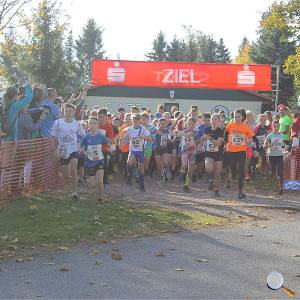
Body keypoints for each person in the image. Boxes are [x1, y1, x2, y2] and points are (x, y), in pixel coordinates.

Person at [51, 103, 86, 201]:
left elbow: (84, 136)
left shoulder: (77, 124)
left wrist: (83, 147)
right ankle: (68, 183)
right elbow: (52, 137)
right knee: (66, 174)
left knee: (74, 169)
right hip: (62, 149)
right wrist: (55, 149)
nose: (67, 113)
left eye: (70, 111)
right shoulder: (58, 122)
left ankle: (75, 193)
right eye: (66, 111)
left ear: (74, 112)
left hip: (74, 149)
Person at [225, 109, 254, 199]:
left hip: (241, 151)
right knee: (233, 170)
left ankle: (240, 192)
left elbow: (252, 136)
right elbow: (225, 134)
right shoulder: (230, 125)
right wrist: (226, 141)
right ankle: (233, 175)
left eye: (239, 117)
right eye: (235, 117)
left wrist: (255, 141)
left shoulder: (245, 127)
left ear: (243, 117)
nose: (237, 118)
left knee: (241, 171)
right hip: (231, 151)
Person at [80, 117, 110, 206]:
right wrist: (84, 152)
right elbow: (80, 149)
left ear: (97, 125)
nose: (92, 125)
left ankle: (100, 199)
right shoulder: (86, 137)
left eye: (94, 123)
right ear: (89, 125)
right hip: (90, 163)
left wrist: (110, 150)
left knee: (100, 182)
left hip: (99, 161)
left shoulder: (101, 136)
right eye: (91, 123)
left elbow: (109, 144)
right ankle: (98, 193)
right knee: (93, 184)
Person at [125, 113, 151, 192]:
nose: (135, 122)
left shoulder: (142, 128)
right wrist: (126, 139)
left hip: (140, 150)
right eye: (134, 120)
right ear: (132, 120)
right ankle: (130, 175)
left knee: (141, 168)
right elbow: (125, 137)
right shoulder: (128, 129)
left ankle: (141, 184)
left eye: (137, 120)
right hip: (132, 149)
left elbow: (150, 138)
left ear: (140, 121)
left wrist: (143, 137)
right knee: (129, 163)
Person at [202, 114, 224, 196]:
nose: (213, 121)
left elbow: (218, 144)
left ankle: (216, 190)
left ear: (218, 121)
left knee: (217, 173)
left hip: (218, 153)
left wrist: (210, 138)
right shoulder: (206, 129)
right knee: (209, 168)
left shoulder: (220, 131)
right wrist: (201, 141)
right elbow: (204, 138)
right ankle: (210, 179)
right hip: (208, 152)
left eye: (215, 119)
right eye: (212, 119)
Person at [264, 121, 287, 195]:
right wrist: (269, 145)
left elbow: (283, 143)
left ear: (279, 126)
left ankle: (281, 187)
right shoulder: (269, 135)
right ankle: (273, 186)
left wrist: (286, 146)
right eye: (274, 126)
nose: (276, 128)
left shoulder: (281, 135)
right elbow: (264, 146)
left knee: (280, 171)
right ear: (272, 127)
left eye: (277, 126)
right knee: (273, 171)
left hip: (279, 155)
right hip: (271, 156)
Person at [178, 117, 198, 192]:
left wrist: (183, 134)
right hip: (185, 150)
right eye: (189, 123)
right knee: (184, 164)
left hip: (192, 150)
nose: (191, 125)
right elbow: (177, 133)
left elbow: (190, 134)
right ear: (186, 123)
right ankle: (181, 172)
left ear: (195, 124)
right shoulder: (183, 129)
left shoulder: (195, 130)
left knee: (190, 169)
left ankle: (186, 185)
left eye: (192, 124)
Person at [153, 118, 171, 183]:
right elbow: (152, 138)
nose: (163, 125)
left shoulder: (167, 130)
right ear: (159, 123)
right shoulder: (155, 130)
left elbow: (169, 140)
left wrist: (167, 139)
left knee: (166, 162)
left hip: (164, 149)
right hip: (157, 149)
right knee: (159, 166)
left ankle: (167, 170)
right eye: (161, 123)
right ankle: (159, 179)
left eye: (164, 123)